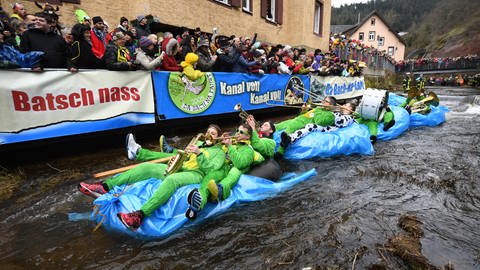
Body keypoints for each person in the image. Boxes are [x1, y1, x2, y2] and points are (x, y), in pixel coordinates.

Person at [79, 124, 226, 230]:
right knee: (146, 167)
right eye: (208, 132)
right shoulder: (199, 142)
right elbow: (184, 158)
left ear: (218, 137)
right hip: (183, 167)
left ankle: (139, 216)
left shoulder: (218, 152)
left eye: (213, 134)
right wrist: (185, 153)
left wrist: (199, 153)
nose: (208, 135)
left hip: (197, 174)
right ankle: (104, 187)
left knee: (171, 180)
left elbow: (211, 169)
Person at [186, 123, 259, 219]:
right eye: (237, 131)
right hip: (224, 167)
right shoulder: (233, 141)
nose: (237, 133)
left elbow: (240, 164)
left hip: (235, 168)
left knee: (234, 173)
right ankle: (197, 205)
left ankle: (221, 191)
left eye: (241, 132)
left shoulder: (248, 149)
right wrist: (221, 140)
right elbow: (217, 149)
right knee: (210, 177)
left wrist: (229, 146)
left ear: (248, 136)